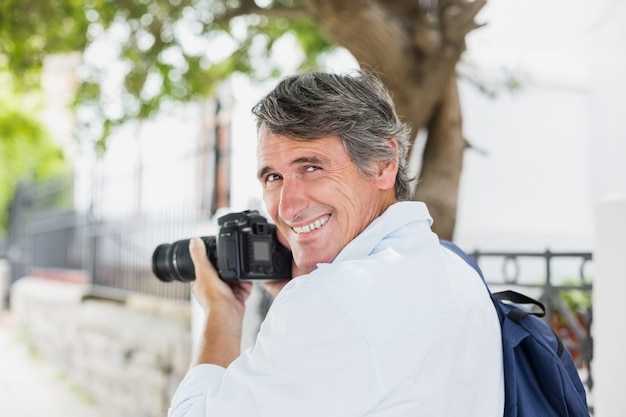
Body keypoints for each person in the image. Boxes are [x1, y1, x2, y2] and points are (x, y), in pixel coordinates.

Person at [168, 70, 504, 416]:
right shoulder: (454, 268)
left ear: (383, 164)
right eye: (273, 177)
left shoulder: (332, 303)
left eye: (312, 167)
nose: (287, 208)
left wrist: (222, 314)